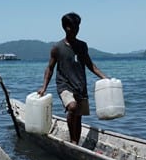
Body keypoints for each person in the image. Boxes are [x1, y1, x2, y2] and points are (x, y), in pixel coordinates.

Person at [37, 12, 108, 144]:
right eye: (73, 27)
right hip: (64, 85)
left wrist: (105, 79)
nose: (76, 30)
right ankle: (73, 141)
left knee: (79, 116)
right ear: (65, 27)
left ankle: (75, 142)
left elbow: (90, 65)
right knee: (72, 107)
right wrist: (44, 87)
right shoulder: (57, 48)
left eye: (77, 27)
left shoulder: (82, 46)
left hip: (80, 85)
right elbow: (50, 68)